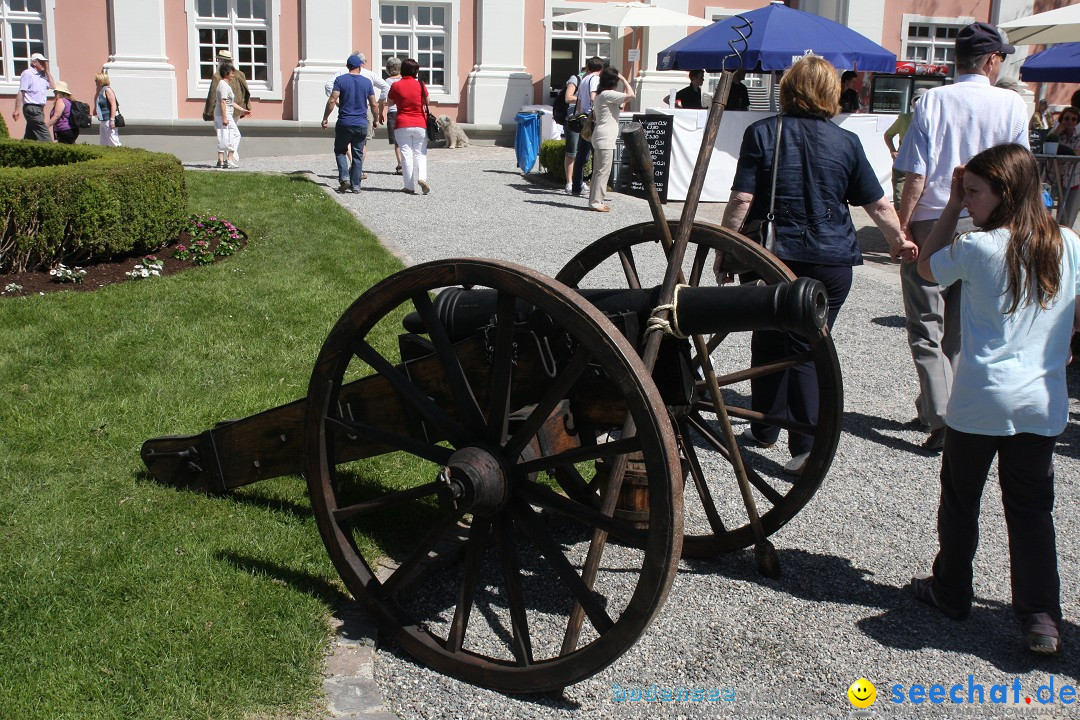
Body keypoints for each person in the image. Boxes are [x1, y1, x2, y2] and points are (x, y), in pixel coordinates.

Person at [909, 143, 1079, 657]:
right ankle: (1041, 616)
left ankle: (952, 590)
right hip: (1041, 399)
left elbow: (926, 271)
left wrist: (950, 207)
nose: (972, 201)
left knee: (962, 499)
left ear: (1004, 193)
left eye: (977, 192)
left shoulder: (980, 247)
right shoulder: (1069, 242)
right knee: (1031, 509)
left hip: (982, 398)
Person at [717, 55, 913, 475]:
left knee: (771, 339)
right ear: (832, 94)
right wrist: (898, 239)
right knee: (806, 347)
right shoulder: (846, 142)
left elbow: (741, 200)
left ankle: (789, 440)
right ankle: (780, 435)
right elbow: (877, 203)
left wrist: (726, 249)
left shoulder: (763, 132)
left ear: (788, 89)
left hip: (776, 257)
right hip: (832, 259)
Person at [894, 21, 1030, 451]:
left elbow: (915, 172)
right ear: (992, 60)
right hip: (990, 219)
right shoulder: (1011, 105)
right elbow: (1020, 169)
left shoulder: (933, 99)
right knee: (959, 325)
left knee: (925, 322)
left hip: (934, 217)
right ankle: (938, 409)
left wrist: (901, 224)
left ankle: (939, 414)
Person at [324, 52, 389, 180]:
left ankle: (346, 176)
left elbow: (329, 88)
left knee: (342, 147)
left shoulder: (341, 75)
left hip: (345, 114)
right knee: (361, 146)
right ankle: (356, 179)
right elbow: (385, 88)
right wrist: (379, 106)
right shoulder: (368, 77)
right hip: (364, 113)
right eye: (364, 61)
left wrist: (337, 103)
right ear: (360, 64)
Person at [587, 67, 635, 213]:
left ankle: (596, 200)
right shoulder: (608, 94)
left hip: (600, 135)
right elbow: (632, 95)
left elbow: (619, 108)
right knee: (603, 171)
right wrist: (624, 79)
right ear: (613, 81)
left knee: (598, 171)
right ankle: (596, 202)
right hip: (605, 137)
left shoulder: (602, 95)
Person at [386, 58, 431, 195]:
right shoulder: (421, 85)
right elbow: (427, 101)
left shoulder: (396, 85)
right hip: (420, 123)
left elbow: (390, 102)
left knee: (406, 154)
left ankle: (409, 186)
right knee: (421, 153)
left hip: (402, 123)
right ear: (415, 71)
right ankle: (422, 178)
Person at [883, 87, 928, 210]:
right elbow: (888, 135)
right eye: (916, 100)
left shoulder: (933, 120)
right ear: (912, 103)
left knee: (919, 197)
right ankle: (900, 224)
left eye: (921, 100)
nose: (918, 103)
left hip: (923, 164)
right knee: (899, 197)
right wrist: (893, 151)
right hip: (903, 162)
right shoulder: (904, 118)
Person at [202, 50, 250, 159]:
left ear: (221, 61)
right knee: (231, 133)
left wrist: (209, 112)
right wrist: (246, 106)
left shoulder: (218, 76)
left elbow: (213, 95)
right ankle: (230, 156)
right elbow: (247, 91)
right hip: (233, 109)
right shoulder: (240, 74)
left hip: (223, 111)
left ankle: (229, 157)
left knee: (225, 135)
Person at [570, 56, 605, 197]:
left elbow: (578, 102)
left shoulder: (584, 79)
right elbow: (592, 97)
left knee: (581, 155)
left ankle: (576, 186)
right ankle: (596, 189)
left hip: (583, 119)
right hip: (592, 119)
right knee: (598, 155)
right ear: (601, 69)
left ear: (588, 67)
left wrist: (580, 115)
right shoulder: (595, 79)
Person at [13, 52, 53, 141]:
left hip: (40, 109)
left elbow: (53, 86)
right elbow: (21, 91)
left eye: (44, 62)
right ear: (34, 63)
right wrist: (16, 110)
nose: (44, 64)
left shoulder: (42, 76)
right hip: (32, 108)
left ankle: (23, 151)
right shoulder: (28, 74)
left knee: (30, 136)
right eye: (41, 62)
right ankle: (52, 151)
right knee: (44, 134)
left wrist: (47, 71)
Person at [1050, 106, 1080, 228]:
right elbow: (1047, 144)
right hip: (1053, 177)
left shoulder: (1079, 136)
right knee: (1045, 209)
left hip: (1074, 179)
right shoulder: (1055, 133)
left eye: (1074, 119)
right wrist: (1057, 131)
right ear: (1061, 119)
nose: (1069, 122)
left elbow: (1077, 154)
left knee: (1067, 218)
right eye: (1066, 118)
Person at [214, 63, 246, 168]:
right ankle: (229, 159)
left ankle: (220, 161)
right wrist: (224, 118)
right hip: (224, 115)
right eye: (232, 73)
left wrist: (242, 109)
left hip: (223, 114)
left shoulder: (224, 84)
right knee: (235, 135)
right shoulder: (223, 85)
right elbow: (223, 102)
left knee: (223, 137)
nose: (233, 75)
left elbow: (230, 102)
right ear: (226, 73)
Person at [562, 69, 582, 194]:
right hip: (573, 120)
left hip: (585, 119)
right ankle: (569, 182)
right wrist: (584, 98)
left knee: (583, 152)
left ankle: (579, 181)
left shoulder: (594, 81)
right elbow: (568, 98)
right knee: (572, 152)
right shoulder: (576, 79)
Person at [384, 56, 404, 175]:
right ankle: (405, 164)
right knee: (404, 140)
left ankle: (400, 164)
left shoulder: (388, 81)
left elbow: (387, 99)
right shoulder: (403, 80)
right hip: (403, 110)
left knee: (397, 141)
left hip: (393, 111)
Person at [94, 72, 121, 147]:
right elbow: (96, 102)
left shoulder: (107, 90)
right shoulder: (101, 91)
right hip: (103, 119)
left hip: (108, 119)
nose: (95, 82)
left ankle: (120, 152)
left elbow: (113, 105)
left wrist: (112, 119)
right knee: (104, 141)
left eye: (96, 80)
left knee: (113, 139)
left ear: (101, 80)